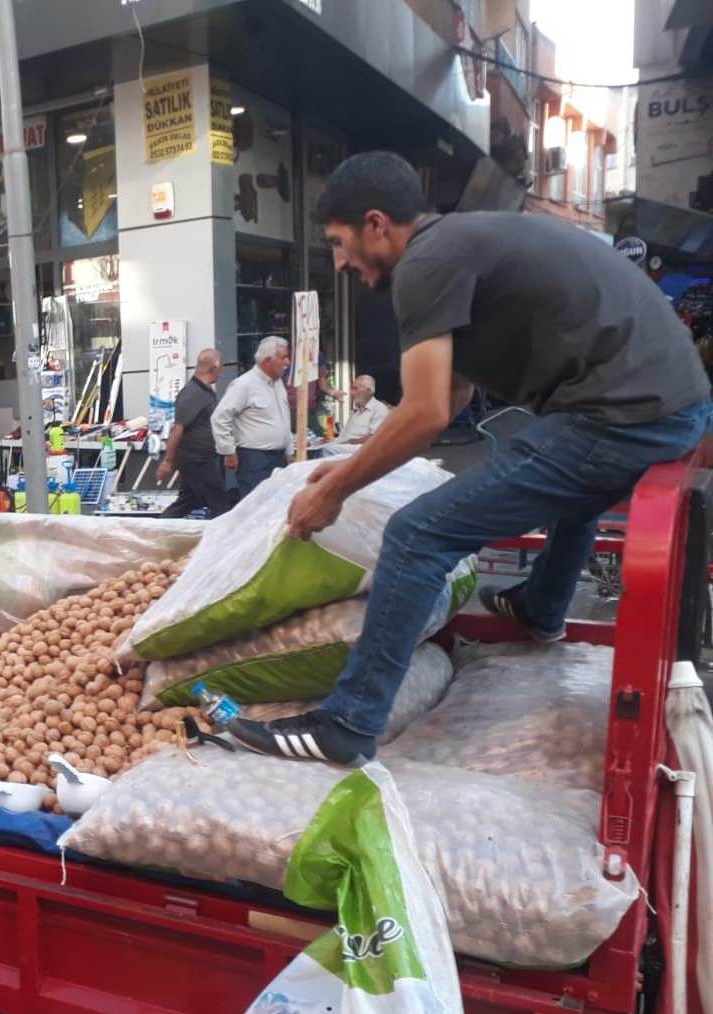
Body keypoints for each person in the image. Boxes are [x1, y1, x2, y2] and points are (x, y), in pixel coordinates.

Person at [230, 150, 713, 766]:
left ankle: (346, 724)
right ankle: (543, 609)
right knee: (566, 477)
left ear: (376, 224)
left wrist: (335, 492)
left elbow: (428, 412)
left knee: (415, 535)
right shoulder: (460, 246)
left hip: (625, 416)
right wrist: (355, 464)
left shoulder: (425, 264)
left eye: (339, 243)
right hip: (666, 409)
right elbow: (449, 393)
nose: (342, 262)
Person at [211, 337, 292, 498]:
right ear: (268, 360)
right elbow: (220, 417)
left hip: (278, 458)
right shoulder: (244, 384)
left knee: (276, 506)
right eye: (283, 357)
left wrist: (289, 452)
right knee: (256, 507)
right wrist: (228, 451)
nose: (287, 362)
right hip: (254, 459)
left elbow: (284, 420)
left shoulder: (278, 384)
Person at [157, 348, 229, 519]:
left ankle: (160, 528)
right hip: (197, 461)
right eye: (222, 367)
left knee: (188, 501)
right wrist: (168, 461)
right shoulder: (191, 393)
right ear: (214, 368)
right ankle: (225, 541)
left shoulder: (204, 391)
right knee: (219, 504)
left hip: (202, 459)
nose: (223, 371)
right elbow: (178, 429)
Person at [285, 351, 345, 438]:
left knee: (328, 433)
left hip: (312, 407)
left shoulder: (317, 355)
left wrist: (333, 392)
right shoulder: (286, 354)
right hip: (288, 408)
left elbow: (322, 383)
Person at [337, 374, 389, 444]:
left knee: (326, 449)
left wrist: (350, 442)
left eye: (355, 388)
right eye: (352, 389)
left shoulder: (379, 409)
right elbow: (344, 436)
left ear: (369, 390)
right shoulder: (356, 410)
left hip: (360, 449)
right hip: (343, 446)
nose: (352, 393)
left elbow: (376, 438)